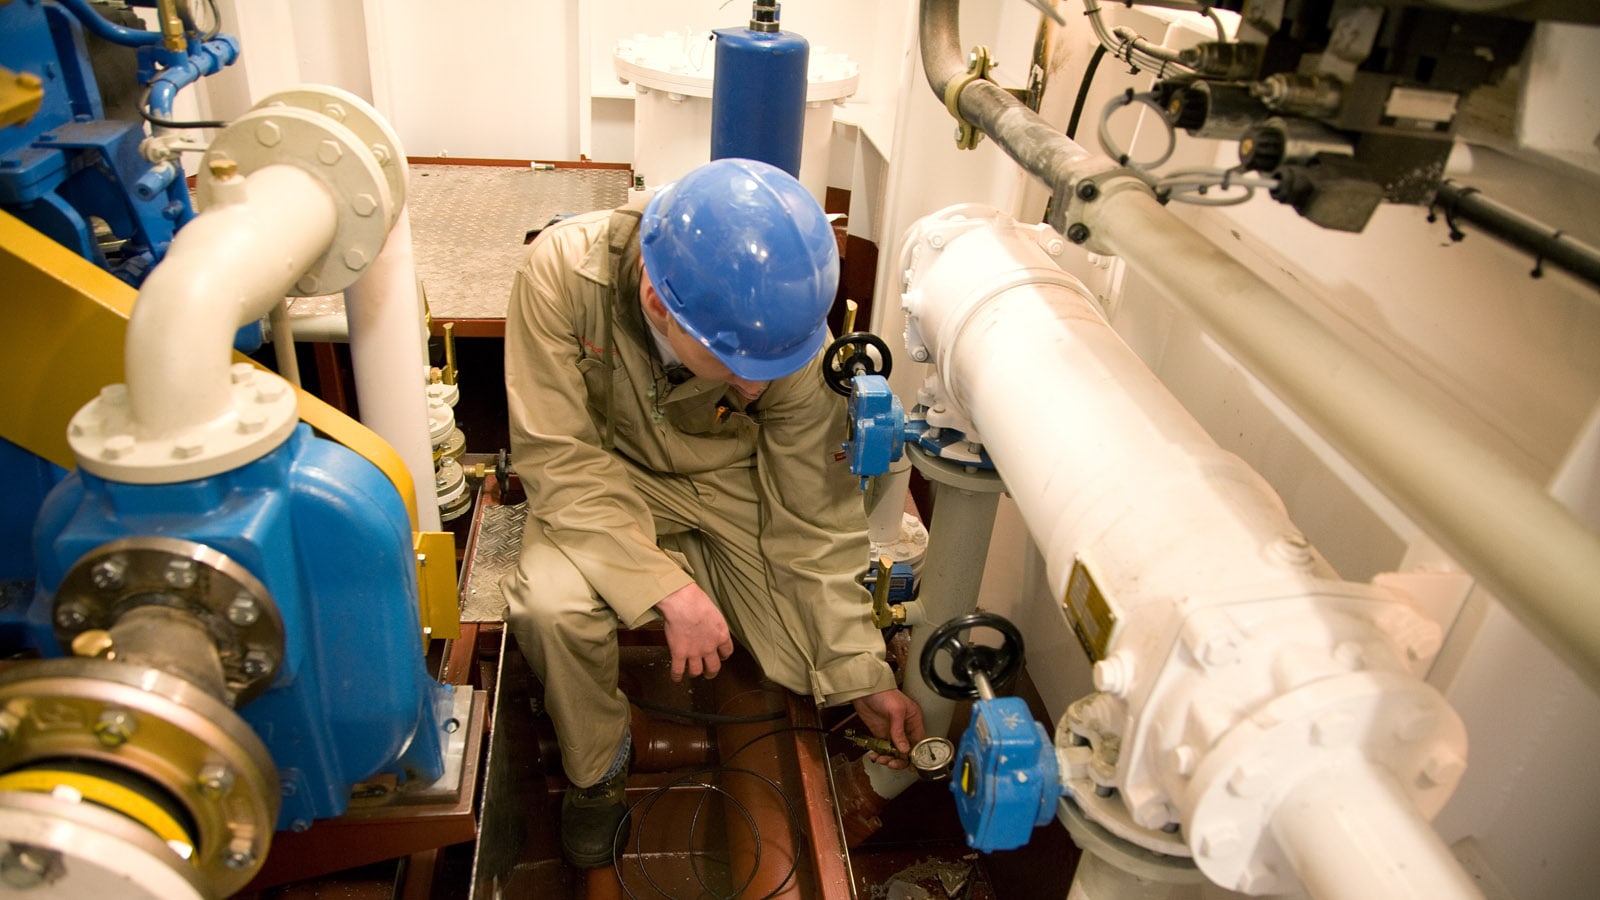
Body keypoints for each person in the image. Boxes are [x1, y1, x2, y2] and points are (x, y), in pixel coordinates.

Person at [500, 157, 926, 868]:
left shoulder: (780, 334)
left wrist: (864, 675)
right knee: (551, 611)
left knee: (800, 664)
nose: (758, 386)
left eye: (771, 365)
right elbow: (557, 458)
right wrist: (663, 588)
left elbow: (814, 522)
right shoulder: (561, 276)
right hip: (599, 481)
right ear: (658, 301)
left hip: (728, 483)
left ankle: (704, 584)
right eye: (736, 365)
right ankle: (598, 769)